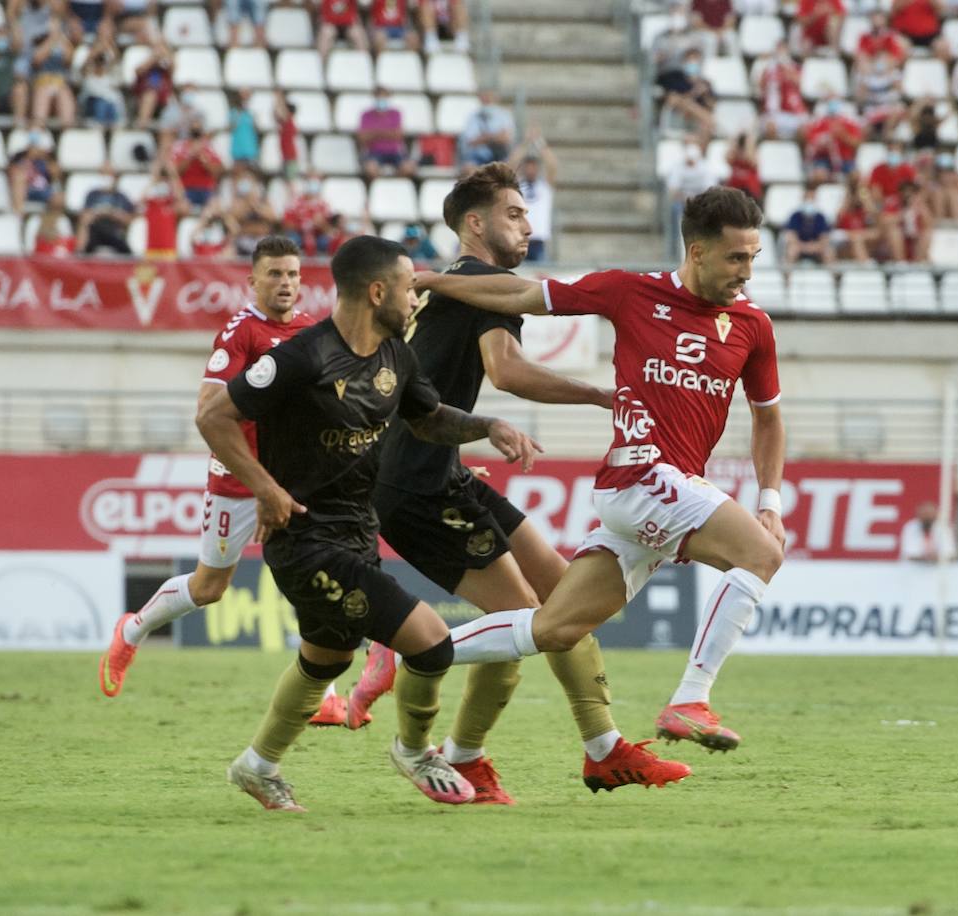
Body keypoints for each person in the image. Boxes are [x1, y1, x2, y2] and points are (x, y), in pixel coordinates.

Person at [348, 164, 691, 800]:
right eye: (515, 214)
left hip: (438, 471)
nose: (529, 225)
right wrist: (598, 393)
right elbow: (505, 371)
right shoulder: (484, 283)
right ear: (475, 224)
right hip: (417, 486)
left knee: (564, 598)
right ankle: (426, 727)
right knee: (525, 623)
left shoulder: (444, 287)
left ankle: (558, 750)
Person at [413, 187, 786, 753]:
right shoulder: (630, 292)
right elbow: (518, 294)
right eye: (736, 258)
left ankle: (412, 647)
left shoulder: (753, 326)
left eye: (753, 258)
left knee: (555, 627)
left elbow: (769, 422)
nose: (746, 272)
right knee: (760, 554)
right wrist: (436, 281)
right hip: (643, 475)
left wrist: (770, 501)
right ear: (698, 251)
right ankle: (690, 699)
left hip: (653, 498)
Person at [197, 235, 541, 811]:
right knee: (431, 643)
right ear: (377, 290)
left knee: (325, 657)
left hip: (359, 531)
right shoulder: (302, 356)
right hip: (305, 540)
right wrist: (265, 488)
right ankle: (415, 749)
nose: (415, 299)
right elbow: (213, 415)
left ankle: (257, 765)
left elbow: (428, 420)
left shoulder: (396, 355)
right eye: (409, 288)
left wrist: (488, 426)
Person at [99, 238, 340, 722]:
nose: (286, 283)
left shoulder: (314, 332)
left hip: (295, 479)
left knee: (323, 573)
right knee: (210, 588)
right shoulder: (240, 334)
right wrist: (257, 482)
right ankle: (132, 630)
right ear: (252, 282)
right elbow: (208, 412)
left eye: (293, 274)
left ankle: (326, 694)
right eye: (274, 274)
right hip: (239, 480)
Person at [509, 125, 557, 263]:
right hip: (519, 239)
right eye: (527, 166)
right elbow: (511, 164)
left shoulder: (544, 186)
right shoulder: (518, 186)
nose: (531, 170)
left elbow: (552, 165)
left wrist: (539, 142)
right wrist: (525, 142)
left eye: (533, 166)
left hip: (539, 241)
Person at [78, 161, 135, 254]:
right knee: (91, 227)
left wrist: (111, 213)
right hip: (95, 230)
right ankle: (80, 254)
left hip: (114, 229)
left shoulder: (121, 197)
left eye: (109, 174)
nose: (106, 178)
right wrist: (99, 213)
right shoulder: (92, 195)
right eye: (103, 174)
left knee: (114, 233)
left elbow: (128, 219)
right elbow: (84, 217)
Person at [360, 87, 416, 179]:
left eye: (384, 97)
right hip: (374, 152)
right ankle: (378, 189)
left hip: (395, 152)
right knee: (370, 169)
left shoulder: (396, 113)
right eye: (379, 97)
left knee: (408, 168)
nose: (381, 100)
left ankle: (396, 186)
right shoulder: (366, 114)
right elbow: (362, 138)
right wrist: (388, 133)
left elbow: (399, 135)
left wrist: (375, 133)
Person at [459, 90, 515, 168]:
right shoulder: (473, 116)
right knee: (469, 167)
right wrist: (495, 137)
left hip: (500, 157)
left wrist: (485, 137)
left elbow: (506, 138)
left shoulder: (504, 115)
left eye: (489, 96)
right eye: (484, 96)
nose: (487, 99)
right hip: (478, 158)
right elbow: (471, 141)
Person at [783, 187, 834, 264]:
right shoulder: (795, 216)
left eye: (812, 199)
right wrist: (804, 247)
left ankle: (832, 275)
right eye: (807, 198)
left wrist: (814, 247)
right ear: (803, 199)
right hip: (800, 247)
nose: (809, 201)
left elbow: (825, 238)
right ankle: (788, 275)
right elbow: (791, 237)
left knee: (828, 251)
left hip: (816, 248)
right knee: (792, 250)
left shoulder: (820, 217)